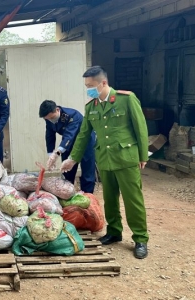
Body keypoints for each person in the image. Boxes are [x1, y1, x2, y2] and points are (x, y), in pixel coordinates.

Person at [60, 66, 149, 259]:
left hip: (126, 158)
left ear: (103, 83)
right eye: (86, 86)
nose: (89, 89)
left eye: (91, 86)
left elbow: (140, 127)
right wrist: (72, 158)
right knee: (110, 199)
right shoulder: (91, 107)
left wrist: (143, 155)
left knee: (133, 200)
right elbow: (83, 135)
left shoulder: (126, 99)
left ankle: (140, 238)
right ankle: (114, 231)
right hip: (105, 160)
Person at [39, 100, 96, 193]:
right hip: (68, 142)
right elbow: (49, 135)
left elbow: (70, 135)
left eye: (52, 117)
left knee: (87, 168)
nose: (50, 120)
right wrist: (50, 155)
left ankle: (87, 194)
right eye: (47, 119)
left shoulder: (72, 115)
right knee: (66, 168)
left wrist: (57, 153)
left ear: (57, 110)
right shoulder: (49, 118)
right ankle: (68, 192)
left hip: (86, 140)